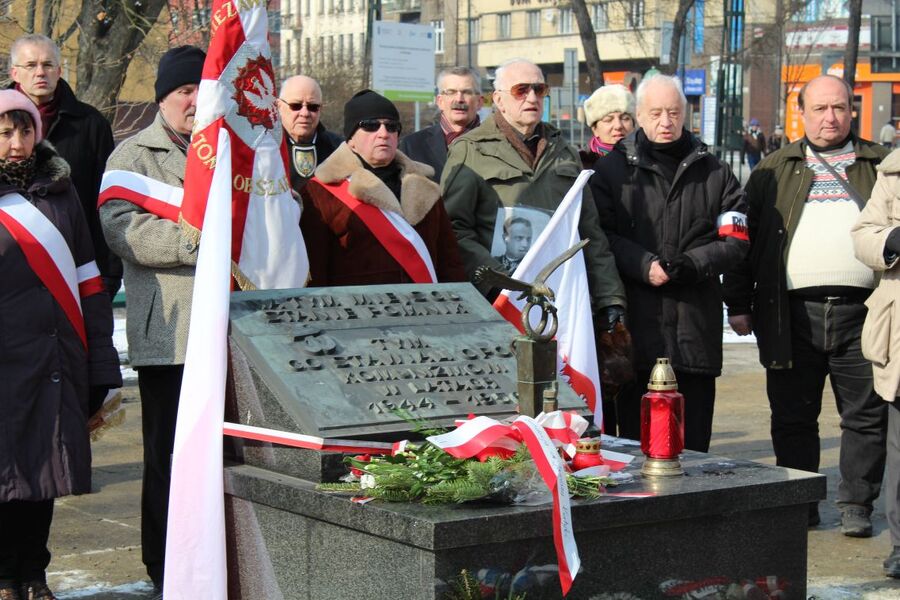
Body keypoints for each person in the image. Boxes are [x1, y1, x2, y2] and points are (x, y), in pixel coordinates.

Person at [723, 74, 889, 532]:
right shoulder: (772, 169)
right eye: (819, 109)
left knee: (866, 416)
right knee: (793, 416)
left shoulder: (881, 164)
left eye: (838, 108)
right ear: (801, 112)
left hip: (868, 312)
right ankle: (802, 503)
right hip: (789, 313)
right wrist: (737, 302)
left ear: (851, 110)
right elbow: (743, 240)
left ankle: (857, 505)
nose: (830, 118)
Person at [0, 89, 120, 600]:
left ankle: (35, 572)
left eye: (24, 130)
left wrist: (102, 363)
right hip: (5, 359)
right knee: (7, 473)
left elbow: (89, 279)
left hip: (57, 354)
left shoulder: (62, 191)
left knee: (48, 469)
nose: (17, 142)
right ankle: (4, 575)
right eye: (4, 131)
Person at [590, 74, 749, 450]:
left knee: (693, 447)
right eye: (657, 113)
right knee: (634, 446)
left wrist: (693, 263)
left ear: (686, 114)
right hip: (635, 335)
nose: (666, 121)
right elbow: (600, 236)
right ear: (639, 116)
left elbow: (736, 239)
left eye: (674, 112)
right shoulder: (611, 173)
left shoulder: (715, 172)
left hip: (695, 331)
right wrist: (643, 264)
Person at [98, 45, 206, 596]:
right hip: (171, 331)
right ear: (164, 96)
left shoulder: (233, 155)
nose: (194, 100)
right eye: (185, 90)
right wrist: (199, 239)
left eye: (202, 90)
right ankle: (164, 565)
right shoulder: (131, 156)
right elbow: (125, 233)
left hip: (230, 331)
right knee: (167, 456)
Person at [441, 57, 625, 315]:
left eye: (539, 90)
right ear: (499, 99)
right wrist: (499, 285)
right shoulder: (470, 150)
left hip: (560, 298)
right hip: (497, 302)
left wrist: (610, 298)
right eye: (521, 90)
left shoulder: (564, 152)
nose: (532, 97)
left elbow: (589, 231)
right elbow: (453, 229)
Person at [301, 89, 465, 286]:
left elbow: (450, 264)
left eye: (391, 126)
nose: (383, 133)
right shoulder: (320, 193)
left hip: (424, 311)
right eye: (370, 126)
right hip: (356, 312)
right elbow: (314, 271)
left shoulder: (425, 187)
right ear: (351, 140)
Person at [9, 34, 120, 297]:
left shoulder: (91, 125)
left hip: (74, 267)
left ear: (59, 70)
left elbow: (106, 202)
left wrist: (109, 275)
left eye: (48, 65)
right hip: (10, 265)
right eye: (31, 65)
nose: (40, 72)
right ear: (15, 72)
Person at [850, 148, 900, 578]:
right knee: (899, 451)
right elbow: (863, 233)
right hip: (899, 334)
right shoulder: (894, 173)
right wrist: (891, 241)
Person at [400, 66, 483, 182]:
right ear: (440, 101)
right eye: (451, 92)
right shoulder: (412, 146)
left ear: (479, 102)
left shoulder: (500, 144)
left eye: (467, 92)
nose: (459, 99)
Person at [277, 75, 342, 192]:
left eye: (313, 107)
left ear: (321, 109)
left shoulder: (339, 149)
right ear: (279, 106)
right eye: (295, 106)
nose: (305, 113)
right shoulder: (265, 149)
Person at [579, 83, 635, 167]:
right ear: (594, 129)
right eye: (608, 120)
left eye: (625, 118)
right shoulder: (580, 163)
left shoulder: (647, 159)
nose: (618, 126)